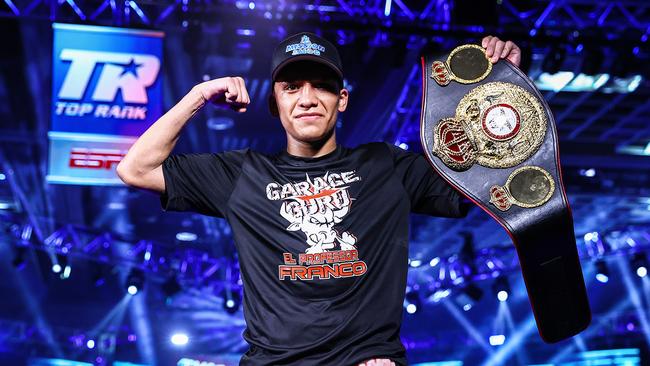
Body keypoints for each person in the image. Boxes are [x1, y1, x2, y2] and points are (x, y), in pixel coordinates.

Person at [117, 33, 521, 366]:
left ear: (341, 100)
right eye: (291, 87)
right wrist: (199, 95)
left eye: (322, 86)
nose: (307, 98)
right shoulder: (242, 174)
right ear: (275, 104)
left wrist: (504, 93)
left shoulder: (385, 166)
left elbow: (488, 183)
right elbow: (135, 168)